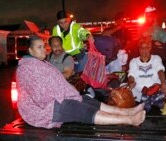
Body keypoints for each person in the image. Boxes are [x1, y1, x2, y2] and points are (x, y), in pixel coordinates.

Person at [16, 36, 146, 129]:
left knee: (86, 100)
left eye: (44, 46)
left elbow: (53, 83)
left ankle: (126, 112)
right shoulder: (27, 69)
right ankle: (130, 120)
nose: (44, 49)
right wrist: (66, 95)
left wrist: (68, 93)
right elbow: (41, 96)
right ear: (30, 51)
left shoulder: (37, 63)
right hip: (44, 110)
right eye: (39, 47)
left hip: (55, 101)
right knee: (81, 109)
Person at [128, 37, 166, 103]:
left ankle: (151, 100)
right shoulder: (134, 61)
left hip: (157, 90)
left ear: (150, 48)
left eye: (146, 48)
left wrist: (163, 83)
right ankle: (153, 100)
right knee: (124, 87)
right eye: (142, 48)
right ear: (139, 49)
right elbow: (131, 75)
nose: (144, 50)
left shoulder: (156, 58)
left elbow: (160, 71)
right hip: (140, 92)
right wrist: (131, 82)